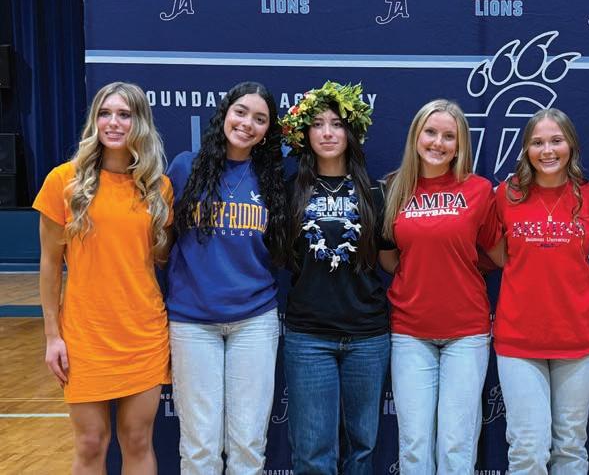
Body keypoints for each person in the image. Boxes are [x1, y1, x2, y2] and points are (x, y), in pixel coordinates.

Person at [34, 82, 172, 473]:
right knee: (91, 443)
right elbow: (49, 265)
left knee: (138, 439)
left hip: (143, 333)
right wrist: (52, 336)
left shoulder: (159, 189)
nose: (113, 123)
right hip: (85, 335)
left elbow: (160, 258)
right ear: (94, 121)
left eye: (124, 114)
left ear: (140, 123)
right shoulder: (63, 181)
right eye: (105, 113)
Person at [165, 81, 287, 474]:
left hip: (254, 320)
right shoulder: (185, 167)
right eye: (240, 112)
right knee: (199, 446)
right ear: (224, 114)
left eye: (260, 119)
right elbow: (162, 240)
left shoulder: (272, 177)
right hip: (192, 320)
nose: (247, 124)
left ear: (268, 131)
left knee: (248, 445)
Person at [380, 99, 502, 475]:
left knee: (456, 444)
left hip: (466, 332)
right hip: (410, 331)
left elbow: (499, 256)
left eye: (449, 136)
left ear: (460, 143)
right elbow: (389, 258)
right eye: (430, 132)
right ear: (416, 136)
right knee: (415, 444)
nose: (438, 142)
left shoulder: (479, 190)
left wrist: (457, 265)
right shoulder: (393, 187)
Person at [278, 81, 393, 474]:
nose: (327, 133)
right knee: (313, 451)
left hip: (367, 336)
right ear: (305, 134)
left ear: (351, 132)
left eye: (337, 124)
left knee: (362, 448)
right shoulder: (289, 191)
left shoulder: (376, 193)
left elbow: (390, 261)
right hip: (309, 336)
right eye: (318, 124)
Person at [492, 108, 589, 474]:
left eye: (556, 141)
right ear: (526, 149)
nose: (547, 150)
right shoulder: (506, 195)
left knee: (571, 447)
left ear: (571, 145)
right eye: (537, 142)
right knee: (527, 449)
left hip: (577, 339)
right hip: (519, 340)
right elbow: (495, 253)